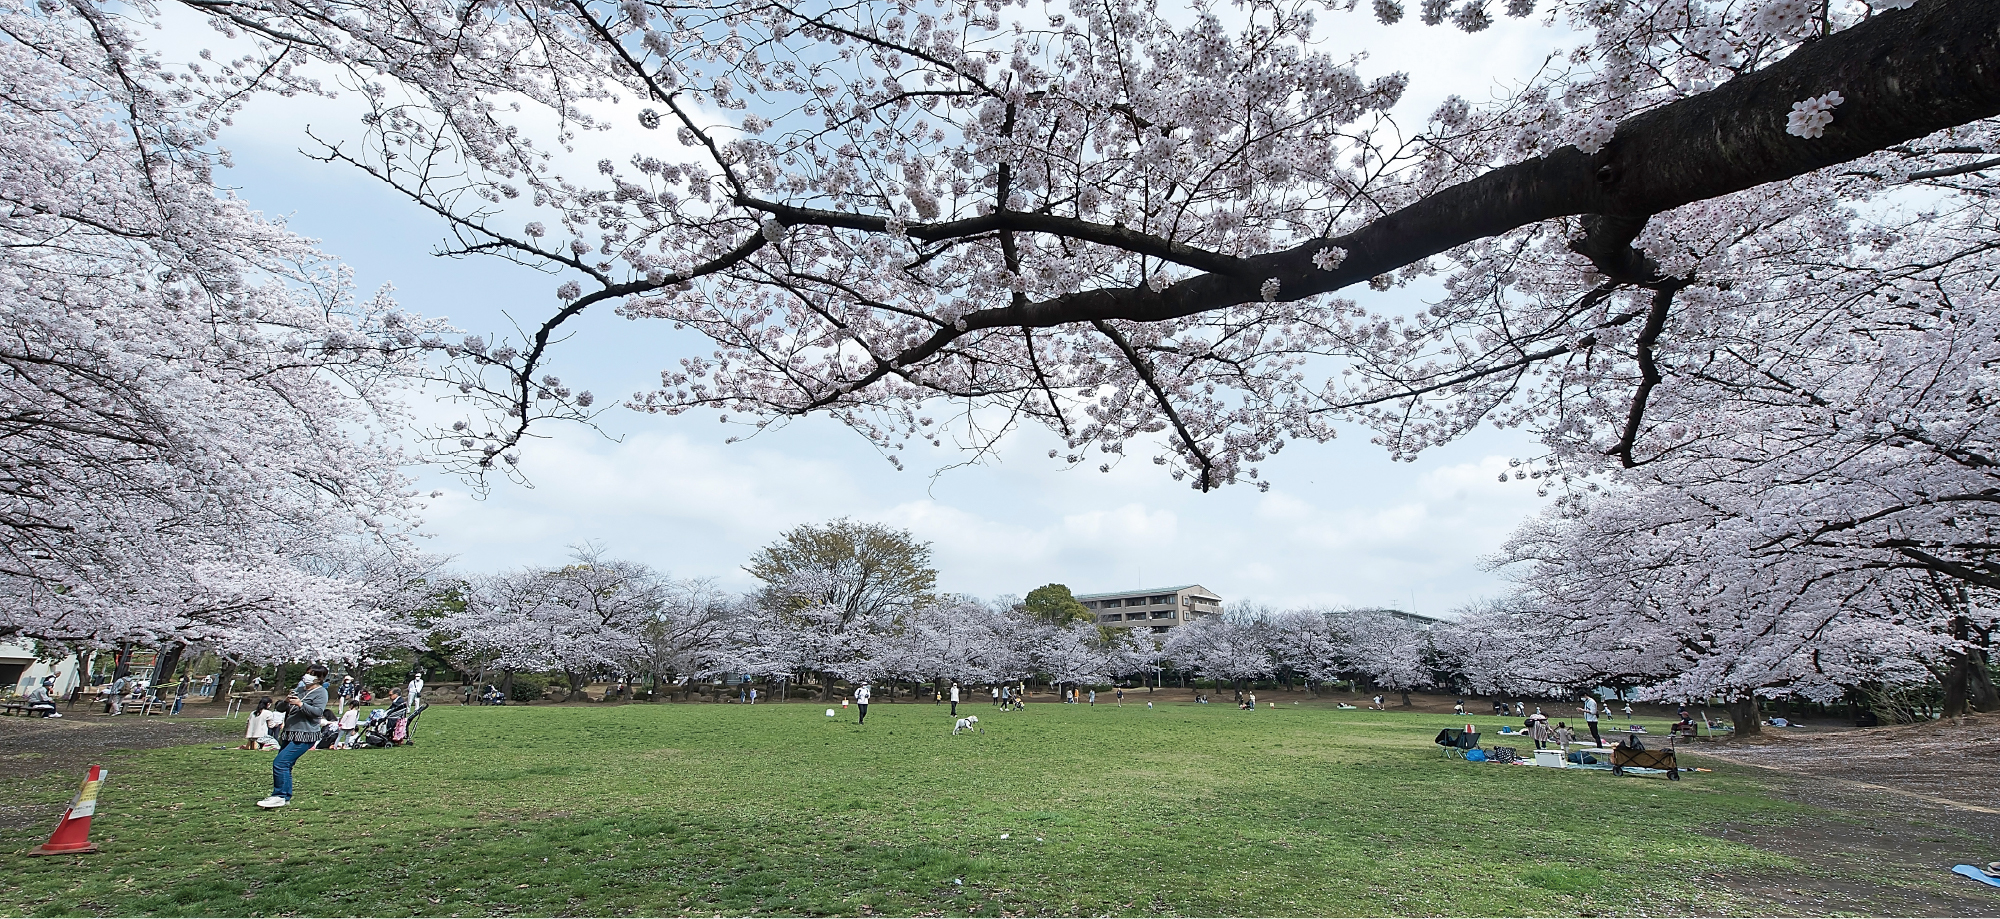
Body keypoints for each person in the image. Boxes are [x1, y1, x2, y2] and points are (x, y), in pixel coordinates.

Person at [258, 664, 328, 809]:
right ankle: (284, 796)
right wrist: (286, 701)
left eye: (313, 674)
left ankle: (280, 795)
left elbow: (317, 712)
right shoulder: (299, 690)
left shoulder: (321, 693)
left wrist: (301, 704)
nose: (308, 676)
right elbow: (280, 709)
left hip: (305, 734)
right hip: (290, 732)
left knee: (280, 763)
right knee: (286, 765)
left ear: (319, 678)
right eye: (308, 672)